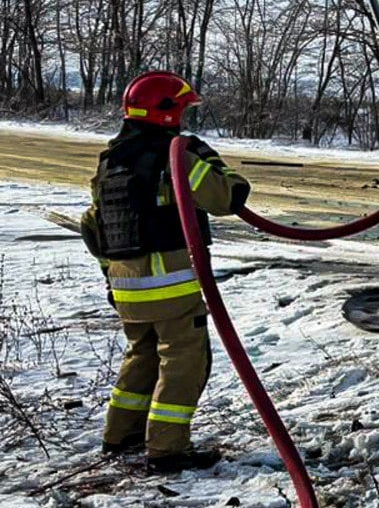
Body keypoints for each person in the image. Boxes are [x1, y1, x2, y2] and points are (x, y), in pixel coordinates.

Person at [79, 71, 251, 472]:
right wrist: (208, 158)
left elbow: (93, 227)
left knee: (142, 355)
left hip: (126, 285)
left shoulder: (109, 164)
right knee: (184, 361)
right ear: (167, 113)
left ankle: (120, 435)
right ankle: (167, 449)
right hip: (170, 284)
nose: (185, 120)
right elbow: (229, 196)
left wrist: (112, 278)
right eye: (183, 111)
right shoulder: (175, 156)